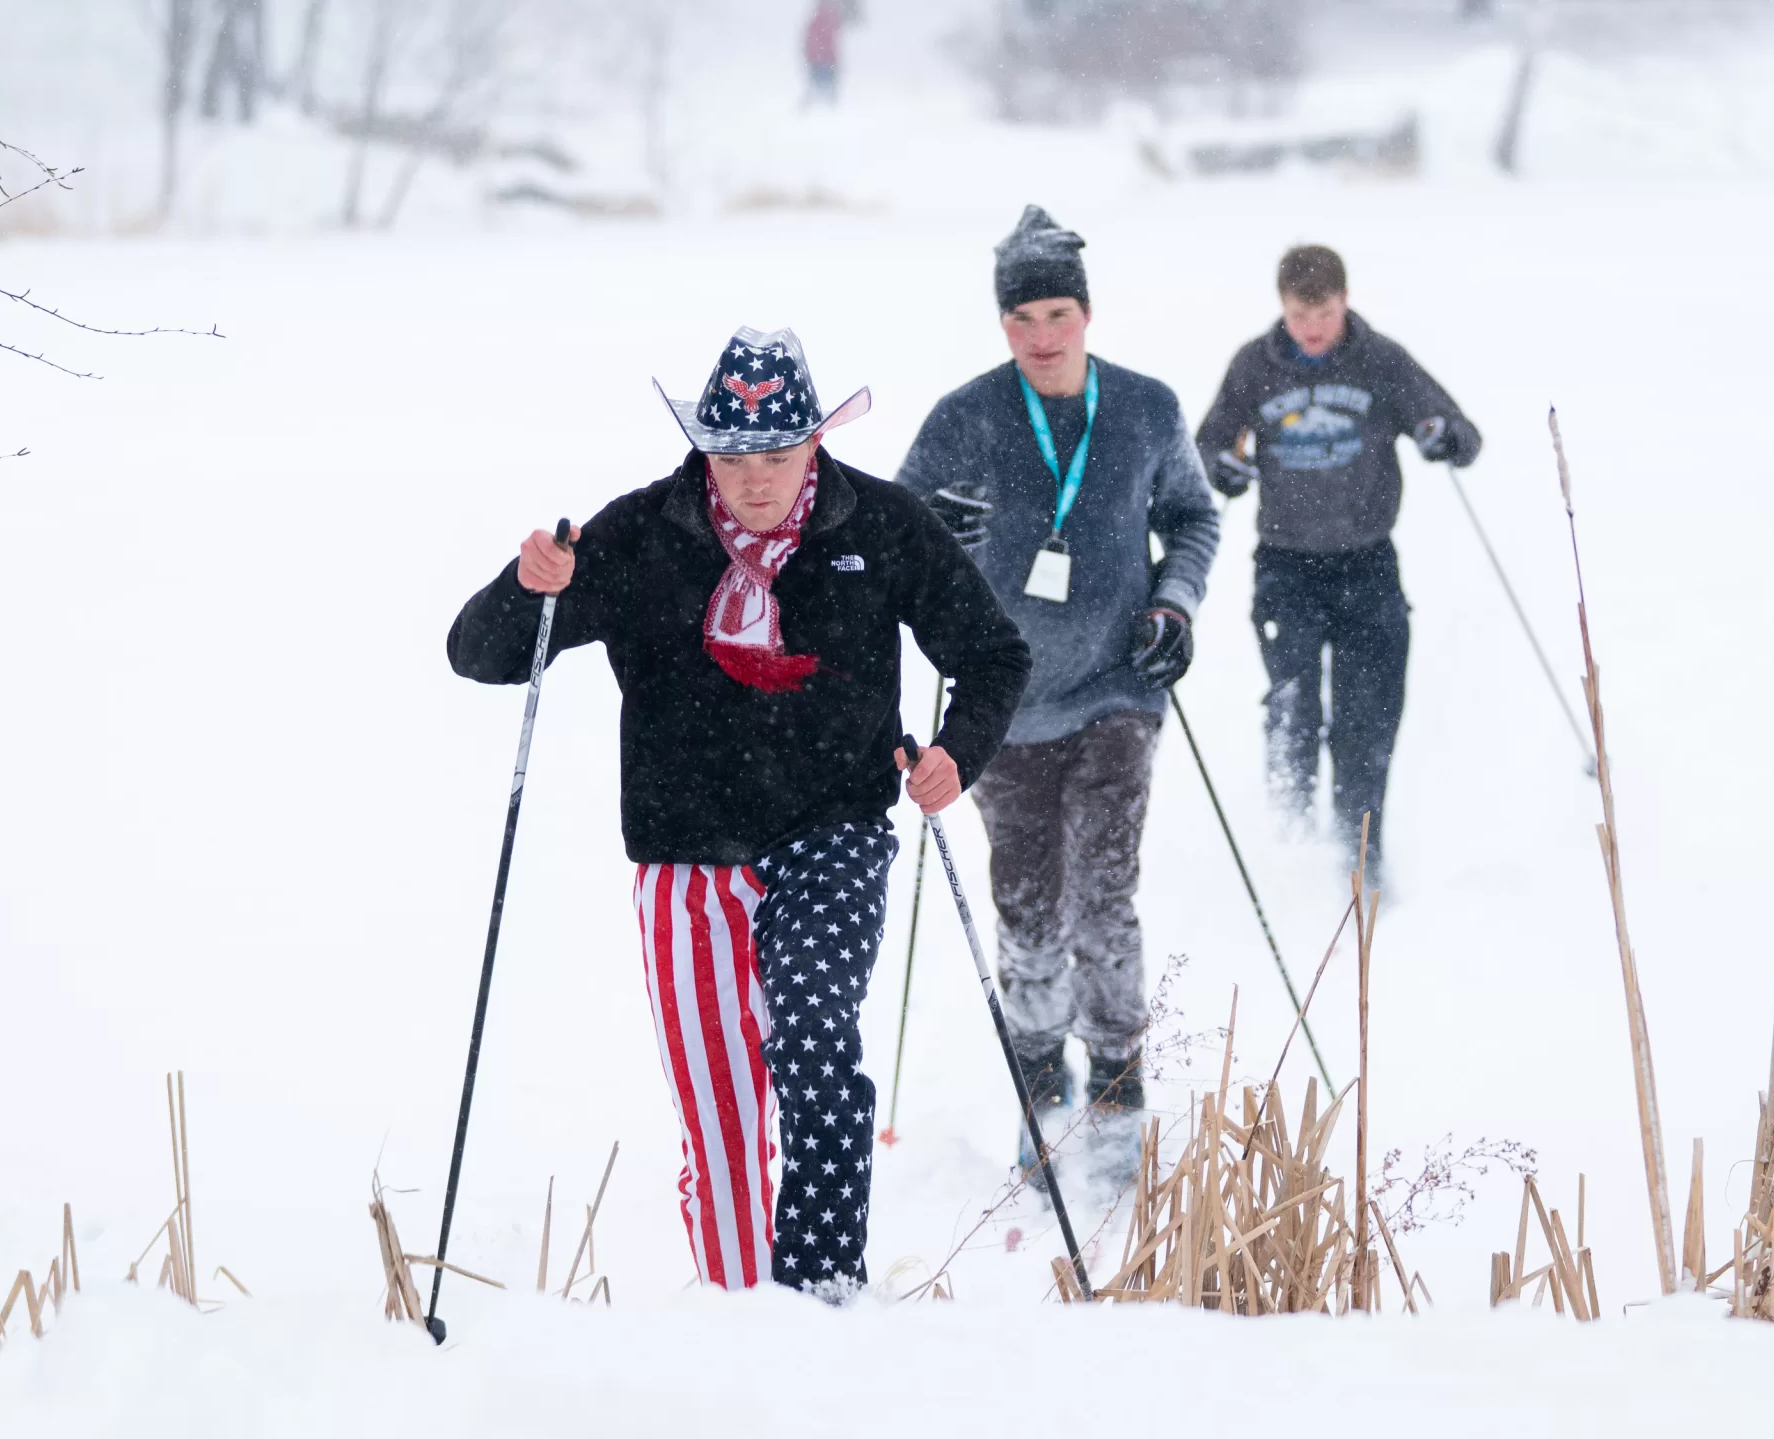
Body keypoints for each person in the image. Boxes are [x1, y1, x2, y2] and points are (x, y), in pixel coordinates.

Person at [447, 327, 1030, 1295]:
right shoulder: (639, 533)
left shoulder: (877, 523)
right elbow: (484, 653)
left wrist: (952, 755)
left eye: (776, 454)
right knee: (721, 1120)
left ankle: (820, 1298)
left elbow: (992, 652)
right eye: (732, 458)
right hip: (683, 851)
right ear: (702, 450)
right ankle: (738, 1322)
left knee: (811, 1035)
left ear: (814, 442)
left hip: (832, 829)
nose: (755, 479)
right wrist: (526, 585)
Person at [897, 207, 1220, 1174]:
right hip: (1003, 700)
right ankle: (1040, 1073)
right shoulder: (964, 416)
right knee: (1028, 903)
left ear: (1085, 312)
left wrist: (1173, 607)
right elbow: (890, 525)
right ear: (1001, 325)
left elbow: (1194, 520)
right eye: (1020, 320)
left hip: (1119, 690)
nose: (1040, 337)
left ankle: (1119, 1082)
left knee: (1103, 896)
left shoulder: (1147, 409)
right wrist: (931, 532)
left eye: (1055, 314)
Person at [1194, 244, 1481, 877]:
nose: (1312, 327)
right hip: (1286, 566)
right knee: (1293, 709)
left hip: (1367, 563)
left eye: (1322, 312)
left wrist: (1444, 437)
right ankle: (1289, 844)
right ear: (1283, 308)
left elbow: (1462, 434)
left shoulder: (1381, 361)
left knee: (1367, 719)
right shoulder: (1254, 366)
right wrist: (1227, 468)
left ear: (1344, 301)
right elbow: (1208, 446)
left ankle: (1359, 853)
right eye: (1299, 315)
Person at [802, 1, 841, 107]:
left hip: (819, 61)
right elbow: (831, 43)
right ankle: (829, 109)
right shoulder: (829, 23)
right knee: (824, 89)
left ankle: (817, 107)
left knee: (817, 88)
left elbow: (809, 41)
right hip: (824, 61)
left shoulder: (819, 22)